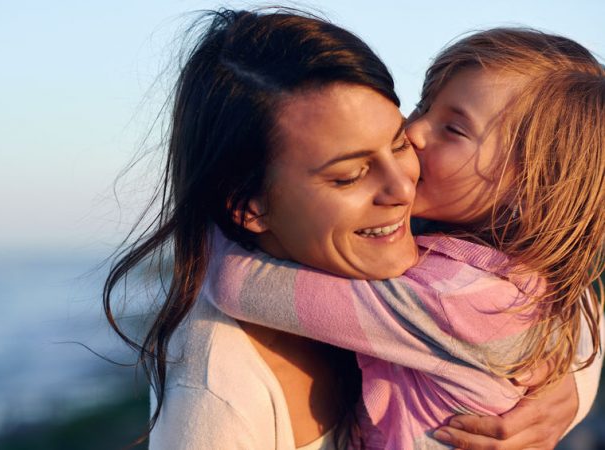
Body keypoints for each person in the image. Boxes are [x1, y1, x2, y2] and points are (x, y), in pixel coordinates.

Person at [102, 10, 600, 449]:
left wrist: (568, 391)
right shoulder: (218, 387)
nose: (415, 134)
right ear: (247, 204)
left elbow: (236, 283)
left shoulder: (451, 290)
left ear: (532, 185)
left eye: (452, 128)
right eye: (349, 174)